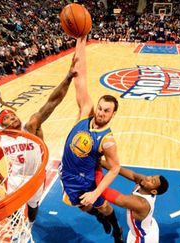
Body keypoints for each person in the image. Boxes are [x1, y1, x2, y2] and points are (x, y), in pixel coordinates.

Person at [0, 55, 77, 225]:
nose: (12, 117)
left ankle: (30, 225)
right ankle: (16, 229)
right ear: (2, 125)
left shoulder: (31, 126)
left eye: (13, 115)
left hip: (35, 176)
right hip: (15, 178)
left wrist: (68, 78)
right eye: (7, 118)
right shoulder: (2, 139)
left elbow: (52, 102)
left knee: (33, 206)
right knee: (12, 210)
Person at [59, 36, 122, 241]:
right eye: (101, 108)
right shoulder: (86, 112)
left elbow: (115, 168)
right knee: (83, 208)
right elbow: (81, 78)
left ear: (113, 115)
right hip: (66, 172)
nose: (101, 113)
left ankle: (115, 227)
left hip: (86, 177)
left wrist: (96, 193)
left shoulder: (107, 140)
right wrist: (80, 40)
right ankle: (100, 217)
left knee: (101, 205)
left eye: (106, 111)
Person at [96, 161, 169, 243]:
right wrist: (99, 161)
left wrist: (97, 171)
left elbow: (107, 194)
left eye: (152, 181)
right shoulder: (145, 183)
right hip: (149, 226)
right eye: (152, 176)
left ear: (154, 191)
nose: (148, 178)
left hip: (142, 238)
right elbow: (122, 171)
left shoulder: (140, 204)